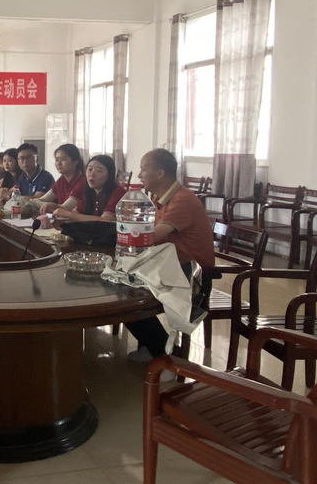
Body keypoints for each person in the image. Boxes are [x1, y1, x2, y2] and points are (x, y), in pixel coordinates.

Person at [125, 148, 215, 361]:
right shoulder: (161, 198)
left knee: (129, 299)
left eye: (143, 169)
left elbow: (151, 236)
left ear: (159, 173)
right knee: (122, 288)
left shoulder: (182, 199)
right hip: (170, 267)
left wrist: (122, 232)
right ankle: (152, 346)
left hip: (192, 276)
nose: (139, 174)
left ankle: (167, 356)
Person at [52, 154, 126, 222]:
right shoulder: (88, 190)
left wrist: (68, 214)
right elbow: (77, 213)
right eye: (90, 169)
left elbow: (106, 220)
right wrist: (58, 219)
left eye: (99, 171)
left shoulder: (118, 192)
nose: (92, 174)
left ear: (109, 175)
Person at [35, 144, 85, 215]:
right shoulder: (62, 179)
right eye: (56, 159)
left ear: (75, 161)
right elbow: (42, 199)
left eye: (63, 159)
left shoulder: (82, 181)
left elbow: (65, 208)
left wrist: (44, 205)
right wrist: (35, 202)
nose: (58, 163)